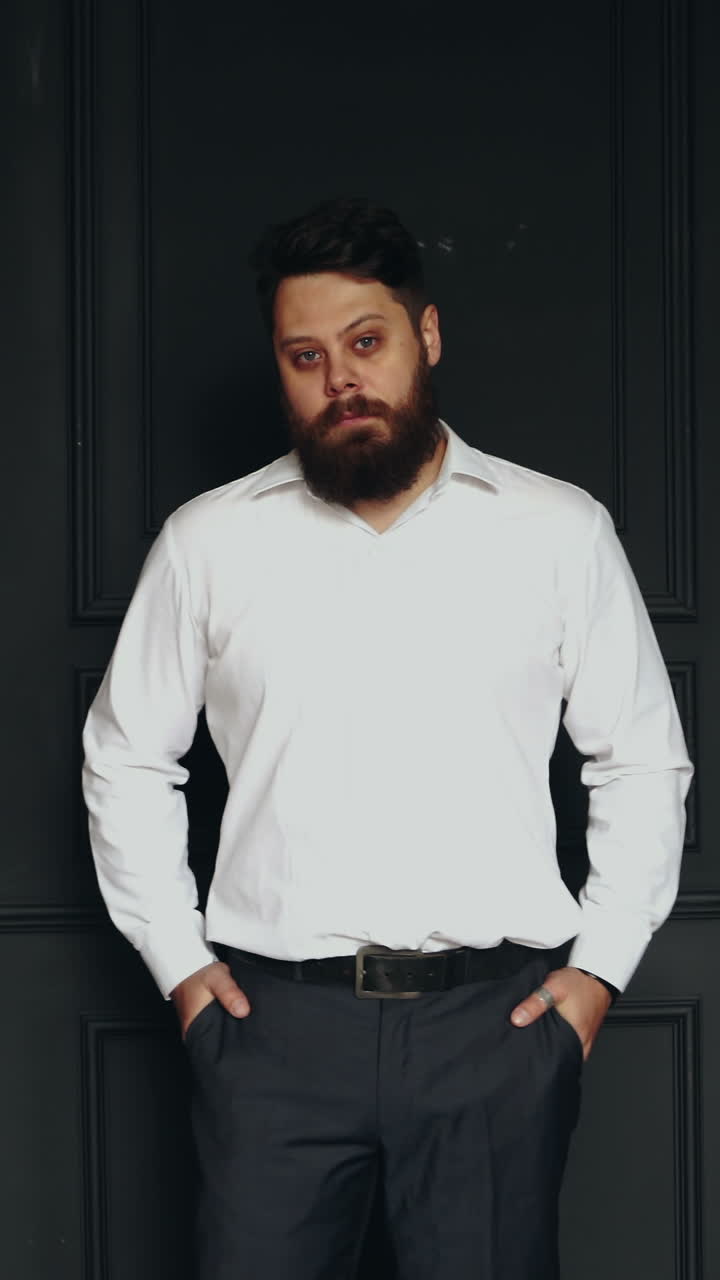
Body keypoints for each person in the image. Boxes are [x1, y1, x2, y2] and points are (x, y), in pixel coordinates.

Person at [82, 197, 693, 1280]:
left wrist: (598, 973)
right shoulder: (207, 543)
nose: (341, 380)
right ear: (281, 367)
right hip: (272, 1034)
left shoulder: (559, 532)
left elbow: (641, 758)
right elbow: (127, 757)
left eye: (366, 342)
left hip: (495, 1028)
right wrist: (180, 967)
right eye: (306, 356)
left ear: (428, 335)